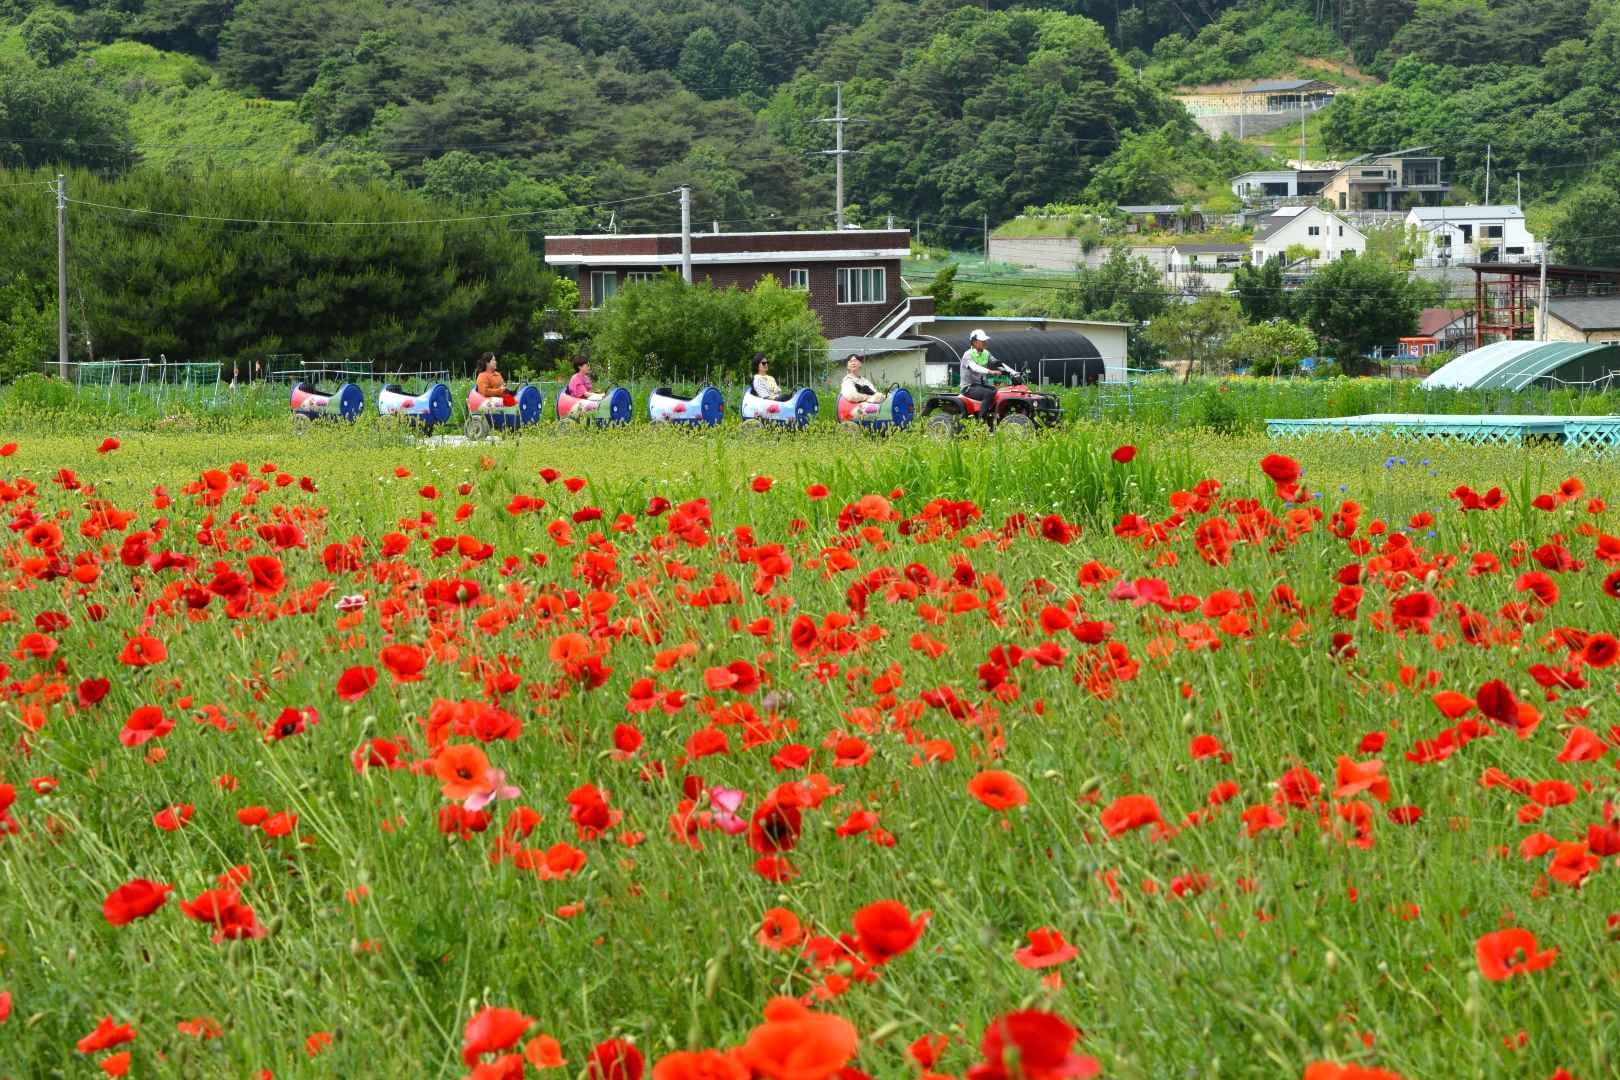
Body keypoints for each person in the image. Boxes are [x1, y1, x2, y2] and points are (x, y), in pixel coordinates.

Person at [960, 329, 1006, 411]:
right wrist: (990, 371)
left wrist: (1012, 372)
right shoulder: (968, 354)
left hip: (981, 385)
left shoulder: (986, 353)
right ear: (974, 342)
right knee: (988, 393)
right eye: (982, 341)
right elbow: (974, 367)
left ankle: (993, 415)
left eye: (985, 340)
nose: (985, 343)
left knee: (999, 391)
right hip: (969, 387)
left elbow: (997, 363)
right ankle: (981, 420)